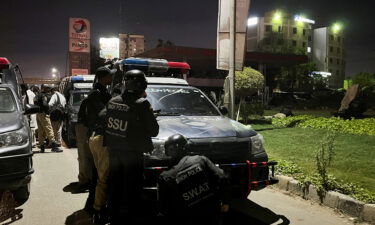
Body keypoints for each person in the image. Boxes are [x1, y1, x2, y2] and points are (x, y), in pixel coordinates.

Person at [104, 69, 159, 224]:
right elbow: (154, 131)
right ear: (142, 86)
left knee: (115, 185)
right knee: (132, 189)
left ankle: (114, 216)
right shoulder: (142, 104)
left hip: (114, 152)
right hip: (132, 154)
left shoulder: (113, 101)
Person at [158, 134, 230, 225]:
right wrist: (226, 202)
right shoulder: (201, 160)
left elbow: (164, 208)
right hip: (211, 215)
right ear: (186, 147)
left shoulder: (165, 177)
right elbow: (223, 178)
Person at [85, 66, 114, 224]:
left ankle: (93, 206)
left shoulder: (98, 91)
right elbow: (103, 114)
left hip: (95, 137)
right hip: (100, 137)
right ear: (104, 78)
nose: (111, 79)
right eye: (110, 76)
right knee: (103, 177)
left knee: (98, 175)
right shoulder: (97, 93)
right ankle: (98, 210)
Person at [34, 84, 62, 153]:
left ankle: (42, 146)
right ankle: (54, 146)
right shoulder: (43, 95)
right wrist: (48, 110)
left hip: (38, 113)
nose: (49, 90)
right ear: (44, 88)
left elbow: (35, 102)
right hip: (44, 114)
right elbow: (45, 104)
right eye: (48, 88)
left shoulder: (37, 95)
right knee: (49, 129)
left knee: (41, 130)